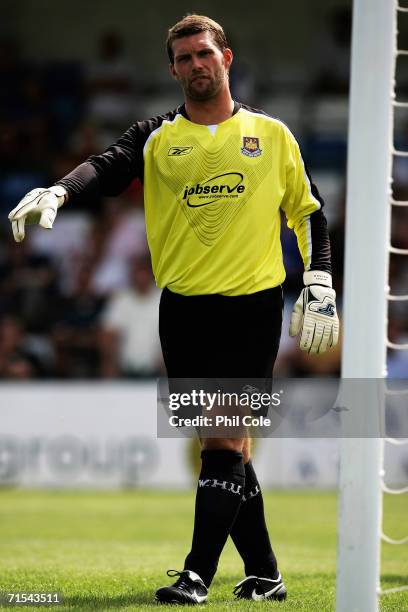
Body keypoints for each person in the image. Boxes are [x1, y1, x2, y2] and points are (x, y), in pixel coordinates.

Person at [8, 14, 339, 604]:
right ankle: (265, 573)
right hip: (183, 311)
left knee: (221, 439)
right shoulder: (157, 135)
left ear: (226, 58)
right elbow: (106, 166)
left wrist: (319, 281)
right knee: (227, 448)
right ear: (173, 70)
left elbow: (308, 213)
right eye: (183, 59)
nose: (195, 66)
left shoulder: (272, 134)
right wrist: (60, 189)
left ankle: (196, 576)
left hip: (251, 309)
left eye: (203, 54)